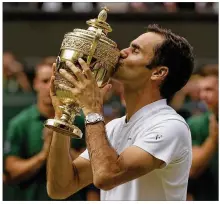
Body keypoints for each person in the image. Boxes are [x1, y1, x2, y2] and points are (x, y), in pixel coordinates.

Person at [47, 24, 194, 201]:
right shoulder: (113, 127)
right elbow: (60, 188)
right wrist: (63, 112)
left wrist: (93, 110)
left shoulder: (171, 126)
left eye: (135, 50)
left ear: (158, 72)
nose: (122, 52)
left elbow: (106, 176)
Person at [3, 61, 99, 201]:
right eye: (45, 80)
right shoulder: (20, 123)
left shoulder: (80, 121)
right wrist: (44, 154)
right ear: (35, 83)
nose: (51, 86)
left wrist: (60, 145)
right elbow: (11, 172)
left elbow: (94, 169)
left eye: (57, 81)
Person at [187, 67, 218, 201]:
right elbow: (192, 169)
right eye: (201, 91)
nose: (203, 96)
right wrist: (213, 139)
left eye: (209, 89)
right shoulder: (197, 123)